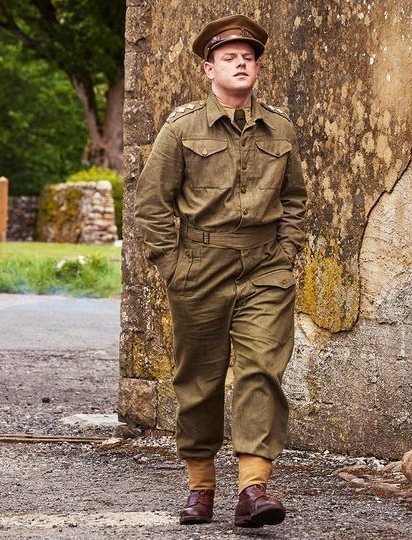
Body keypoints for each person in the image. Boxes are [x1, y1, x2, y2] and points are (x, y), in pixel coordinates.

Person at [134, 14, 307, 527]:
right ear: (209, 68)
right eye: (229, 57)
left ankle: (253, 490)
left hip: (265, 268)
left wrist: (286, 252)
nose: (241, 64)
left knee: (262, 371)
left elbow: (294, 199)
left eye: (248, 57)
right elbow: (151, 203)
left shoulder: (280, 129)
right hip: (199, 267)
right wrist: (173, 265)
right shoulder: (182, 128)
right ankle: (201, 487)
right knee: (200, 381)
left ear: (258, 69)